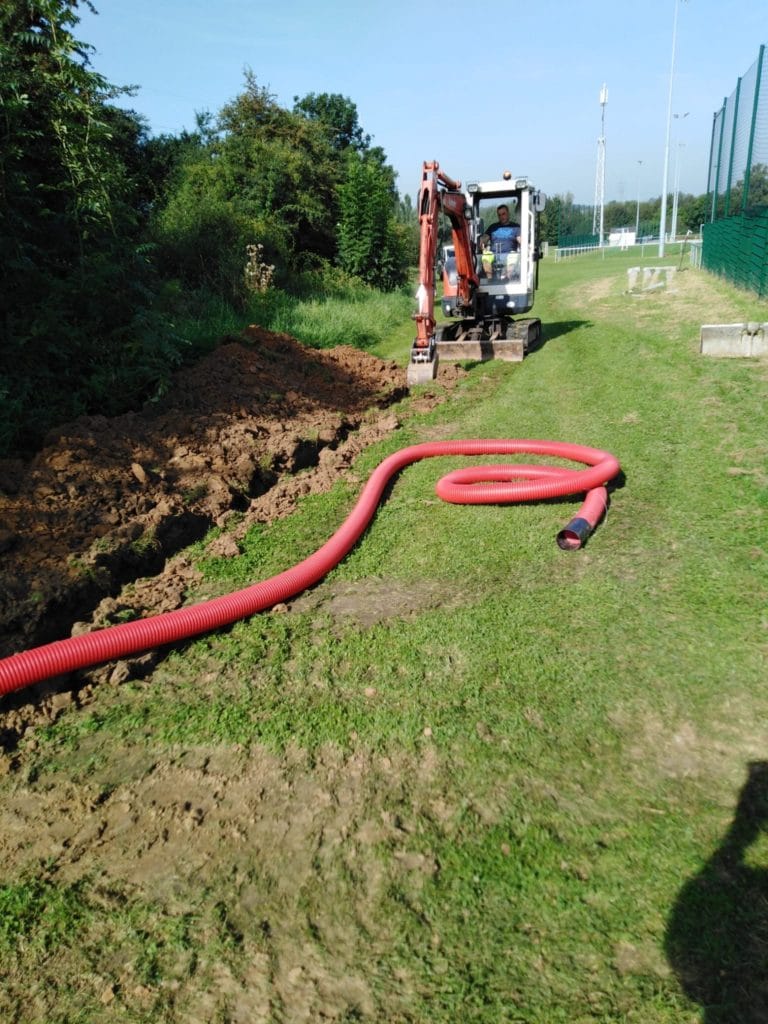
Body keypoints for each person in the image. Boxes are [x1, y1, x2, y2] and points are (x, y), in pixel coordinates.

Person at [485, 204, 521, 278]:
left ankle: (507, 279)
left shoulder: (515, 227)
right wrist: (481, 241)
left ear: (508, 213)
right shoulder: (493, 227)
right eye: (499, 215)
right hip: (494, 254)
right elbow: (484, 238)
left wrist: (527, 246)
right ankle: (490, 280)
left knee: (513, 256)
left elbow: (520, 239)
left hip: (509, 254)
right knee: (485, 257)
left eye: (503, 214)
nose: (502, 217)